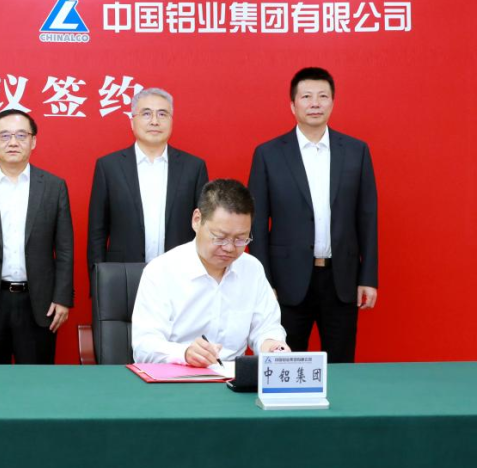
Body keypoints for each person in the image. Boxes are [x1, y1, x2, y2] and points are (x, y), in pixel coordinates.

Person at [248, 67, 378, 363]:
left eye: (323, 96)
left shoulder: (356, 151)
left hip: (341, 279)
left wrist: (368, 277)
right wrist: (265, 282)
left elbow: (367, 217)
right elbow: (256, 223)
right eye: (306, 97)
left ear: (333, 102)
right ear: (292, 105)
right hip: (287, 281)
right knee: (285, 364)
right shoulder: (268, 154)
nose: (315, 103)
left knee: (342, 365)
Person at [0, 109, 74, 364]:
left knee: (36, 382)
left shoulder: (53, 187)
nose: (13, 142)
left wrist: (62, 298)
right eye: (5, 135)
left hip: (39, 303)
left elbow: (65, 249)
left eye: (21, 135)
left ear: (33, 141)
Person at [132, 179, 289, 365]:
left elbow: (266, 328)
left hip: (233, 376)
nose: (230, 248)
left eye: (241, 239)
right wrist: (185, 353)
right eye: (220, 238)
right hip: (178, 375)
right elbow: (144, 346)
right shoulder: (161, 271)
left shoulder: (252, 269)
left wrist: (273, 346)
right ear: (197, 220)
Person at [87, 87, 208, 293]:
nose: (154, 121)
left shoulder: (194, 167)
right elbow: (97, 233)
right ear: (132, 121)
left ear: (171, 121)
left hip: (181, 279)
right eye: (146, 114)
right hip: (123, 278)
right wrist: (99, 283)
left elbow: (204, 228)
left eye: (162, 114)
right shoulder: (109, 167)